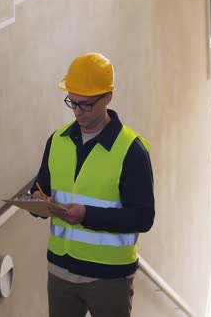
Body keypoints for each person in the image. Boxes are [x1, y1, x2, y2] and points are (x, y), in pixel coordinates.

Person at [30, 52, 155, 317]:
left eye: (86, 105)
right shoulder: (57, 141)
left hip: (109, 279)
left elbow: (143, 218)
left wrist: (87, 215)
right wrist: (37, 202)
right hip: (60, 272)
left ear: (108, 97)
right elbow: (40, 188)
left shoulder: (131, 151)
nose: (78, 112)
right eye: (72, 103)